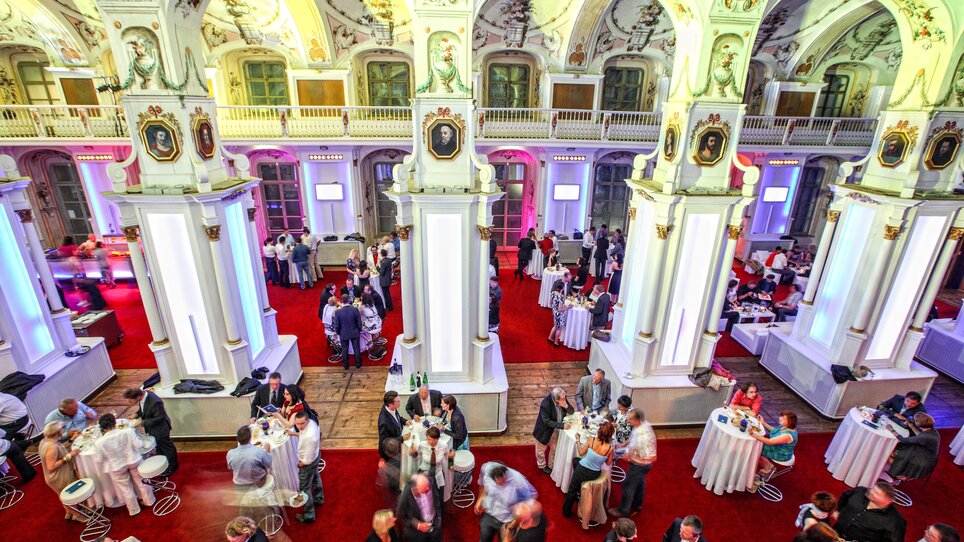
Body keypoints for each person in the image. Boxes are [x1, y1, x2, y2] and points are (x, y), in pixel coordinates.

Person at [93, 413, 155, 516]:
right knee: (142, 482)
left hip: (116, 467)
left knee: (126, 489)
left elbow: (98, 460)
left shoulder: (99, 443)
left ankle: (134, 510)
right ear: (115, 422)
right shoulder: (128, 431)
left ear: (103, 428)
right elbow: (138, 445)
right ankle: (149, 501)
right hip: (133, 460)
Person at [608, 409, 656, 518]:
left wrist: (624, 456)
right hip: (647, 463)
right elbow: (632, 438)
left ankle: (623, 510)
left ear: (636, 420)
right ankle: (638, 503)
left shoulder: (640, 435)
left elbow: (632, 454)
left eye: (629, 420)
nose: (628, 422)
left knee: (628, 486)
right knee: (640, 482)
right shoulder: (644, 425)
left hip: (639, 464)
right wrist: (624, 444)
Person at [562, 421, 613, 517]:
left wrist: (578, 440)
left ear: (599, 432)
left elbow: (581, 452)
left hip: (582, 470)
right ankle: (578, 489)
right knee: (575, 461)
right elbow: (608, 463)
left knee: (571, 489)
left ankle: (566, 512)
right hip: (594, 473)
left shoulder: (591, 440)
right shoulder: (610, 449)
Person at [123, 387, 178, 475]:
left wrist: (142, 422)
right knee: (159, 447)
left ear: (138, 396)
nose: (129, 403)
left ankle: (172, 466)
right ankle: (163, 463)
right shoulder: (144, 395)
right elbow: (144, 408)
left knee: (167, 447)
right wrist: (136, 414)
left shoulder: (155, 402)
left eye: (130, 401)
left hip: (160, 429)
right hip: (153, 428)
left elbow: (160, 417)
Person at [476, 462, 536, 542]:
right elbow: (483, 485)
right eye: (498, 481)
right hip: (489, 514)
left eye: (503, 479)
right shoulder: (486, 469)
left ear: (506, 472)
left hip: (507, 521)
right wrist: (480, 499)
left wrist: (515, 522)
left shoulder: (517, 479)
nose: (501, 482)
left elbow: (531, 498)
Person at [38, 421, 84, 522]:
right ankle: (77, 515)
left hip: (53, 476)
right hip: (58, 476)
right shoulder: (52, 447)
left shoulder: (46, 441)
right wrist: (70, 455)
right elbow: (51, 466)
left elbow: (60, 449)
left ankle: (69, 512)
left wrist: (71, 440)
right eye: (62, 429)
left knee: (62, 494)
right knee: (69, 495)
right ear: (59, 432)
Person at [834, 482, 906, 542]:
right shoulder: (860, 492)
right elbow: (845, 496)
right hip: (836, 531)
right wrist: (839, 511)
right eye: (873, 489)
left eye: (876, 493)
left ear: (887, 500)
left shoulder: (894, 521)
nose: (871, 492)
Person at [288, 411, 324, 523]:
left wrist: (300, 464)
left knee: (305, 489)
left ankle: (309, 515)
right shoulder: (312, 423)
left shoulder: (309, 437)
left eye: (302, 423)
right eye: (297, 424)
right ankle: (319, 498)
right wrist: (293, 433)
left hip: (308, 462)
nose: (299, 426)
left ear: (307, 421)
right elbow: (302, 434)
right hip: (316, 455)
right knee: (316, 477)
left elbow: (307, 460)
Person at [749, 410, 798, 486]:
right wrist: (764, 423)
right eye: (782, 416)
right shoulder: (784, 427)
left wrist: (753, 434)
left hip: (781, 454)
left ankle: (768, 468)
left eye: (784, 418)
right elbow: (774, 431)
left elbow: (769, 442)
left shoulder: (787, 435)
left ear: (789, 422)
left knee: (757, 447)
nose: (780, 418)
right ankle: (765, 465)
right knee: (758, 443)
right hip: (777, 447)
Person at [887, 412, 940, 481]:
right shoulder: (932, 431)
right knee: (897, 451)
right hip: (925, 453)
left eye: (914, 420)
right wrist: (911, 426)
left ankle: (897, 474)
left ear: (918, 423)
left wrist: (891, 429)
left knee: (890, 454)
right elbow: (920, 435)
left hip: (922, 459)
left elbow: (903, 440)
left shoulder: (926, 437)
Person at [532, 388, 573, 474]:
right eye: (563, 399)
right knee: (540, 451)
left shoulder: (563, 398)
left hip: (555, 430)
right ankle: (541, 465)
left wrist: (566, 406)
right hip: (544, 430)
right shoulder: (545, 404)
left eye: (565, 397)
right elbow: (546, 421)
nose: (565, 399)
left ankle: (551, 465)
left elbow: (571, 411)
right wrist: (562, 426)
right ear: (556, 400)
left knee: (555, 449)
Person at [396, 472, 442, 541]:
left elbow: (436, 498)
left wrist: (439, 517)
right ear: (416, 489)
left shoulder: (429, 482)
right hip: (417, 534)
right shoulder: (404, 496)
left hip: (435, 527)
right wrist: (417, 525)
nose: (428, 489)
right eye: (425, 490)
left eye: (428, 486)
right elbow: (401, 517)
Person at [378, 391, 409, 492]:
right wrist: (402, 439)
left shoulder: (391, 409)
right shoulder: (384, 421)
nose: (400, 403)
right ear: (391, 404)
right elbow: (385, 441)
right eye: (398, 402)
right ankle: (394, 489)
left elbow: (397, 418)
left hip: (397, 445)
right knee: (393, 471)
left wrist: (404, 421)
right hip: (390, 451)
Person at [226, 425, 272, 492]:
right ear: (250, 438)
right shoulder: (259, 451)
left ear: (238, 439)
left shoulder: (230, 453)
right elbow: (269, 464)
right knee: (268, 470)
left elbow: (230, 467)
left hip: (239, 485)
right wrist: (267, 451)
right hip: (257, 483)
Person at [410, 426, 454, 492]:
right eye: (429, 439)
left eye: (434, 440)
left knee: (437, 495)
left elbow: (448, 457)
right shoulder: (422, 445)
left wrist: (451, 461)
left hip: (437, 473)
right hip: (424, 471)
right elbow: (416, 459)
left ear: (438, 438)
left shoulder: (443, 445)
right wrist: (413, 454)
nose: (431, 442)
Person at [333, 294, 364, 369]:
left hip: (343, 333)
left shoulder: (338, 312)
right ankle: (358, 364)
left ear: (342, 301)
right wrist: (359, 330)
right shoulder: (354, 309)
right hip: (354, 332)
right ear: (349, 300)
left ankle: (345, 365)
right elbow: (359, 322)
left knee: (344, 349)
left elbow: (336, 325)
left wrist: (338, 332)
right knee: (356, 348)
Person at [547, 282, 569, 347]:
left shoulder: (553, 293)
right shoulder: (560, 297)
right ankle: (556, 342)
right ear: (562, 289)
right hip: (559, 314)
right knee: (559, 328)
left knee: (555, 326)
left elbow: (550, 302)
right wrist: (568, 307)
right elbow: (560, 310)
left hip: (554, 312)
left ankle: (550, 338)